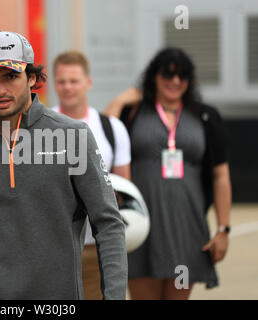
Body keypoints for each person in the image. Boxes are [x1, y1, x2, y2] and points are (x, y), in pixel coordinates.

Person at [0, 31, 127, 300]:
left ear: (32, 78)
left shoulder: (74, 136)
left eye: (11, 77)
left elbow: (108, 224)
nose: (0, 90)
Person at [104, 47, 232, 300]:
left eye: (182, 75)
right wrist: (119, 101)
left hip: (187, 229)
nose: (175, 81)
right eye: (167, 74)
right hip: (142, 227)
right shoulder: (134, 111)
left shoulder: (205, 116)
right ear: (154, 76)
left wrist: (223, 229)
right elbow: (104, 142)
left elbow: (221, 176)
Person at [52, 51, 131, 299]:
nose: (67, 87)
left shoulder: (112, 128)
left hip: (97, 246)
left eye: (74, 81)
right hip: (53, 250)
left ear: (88, 82)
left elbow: (124, 188)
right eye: (61, 81)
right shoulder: (39, 129)